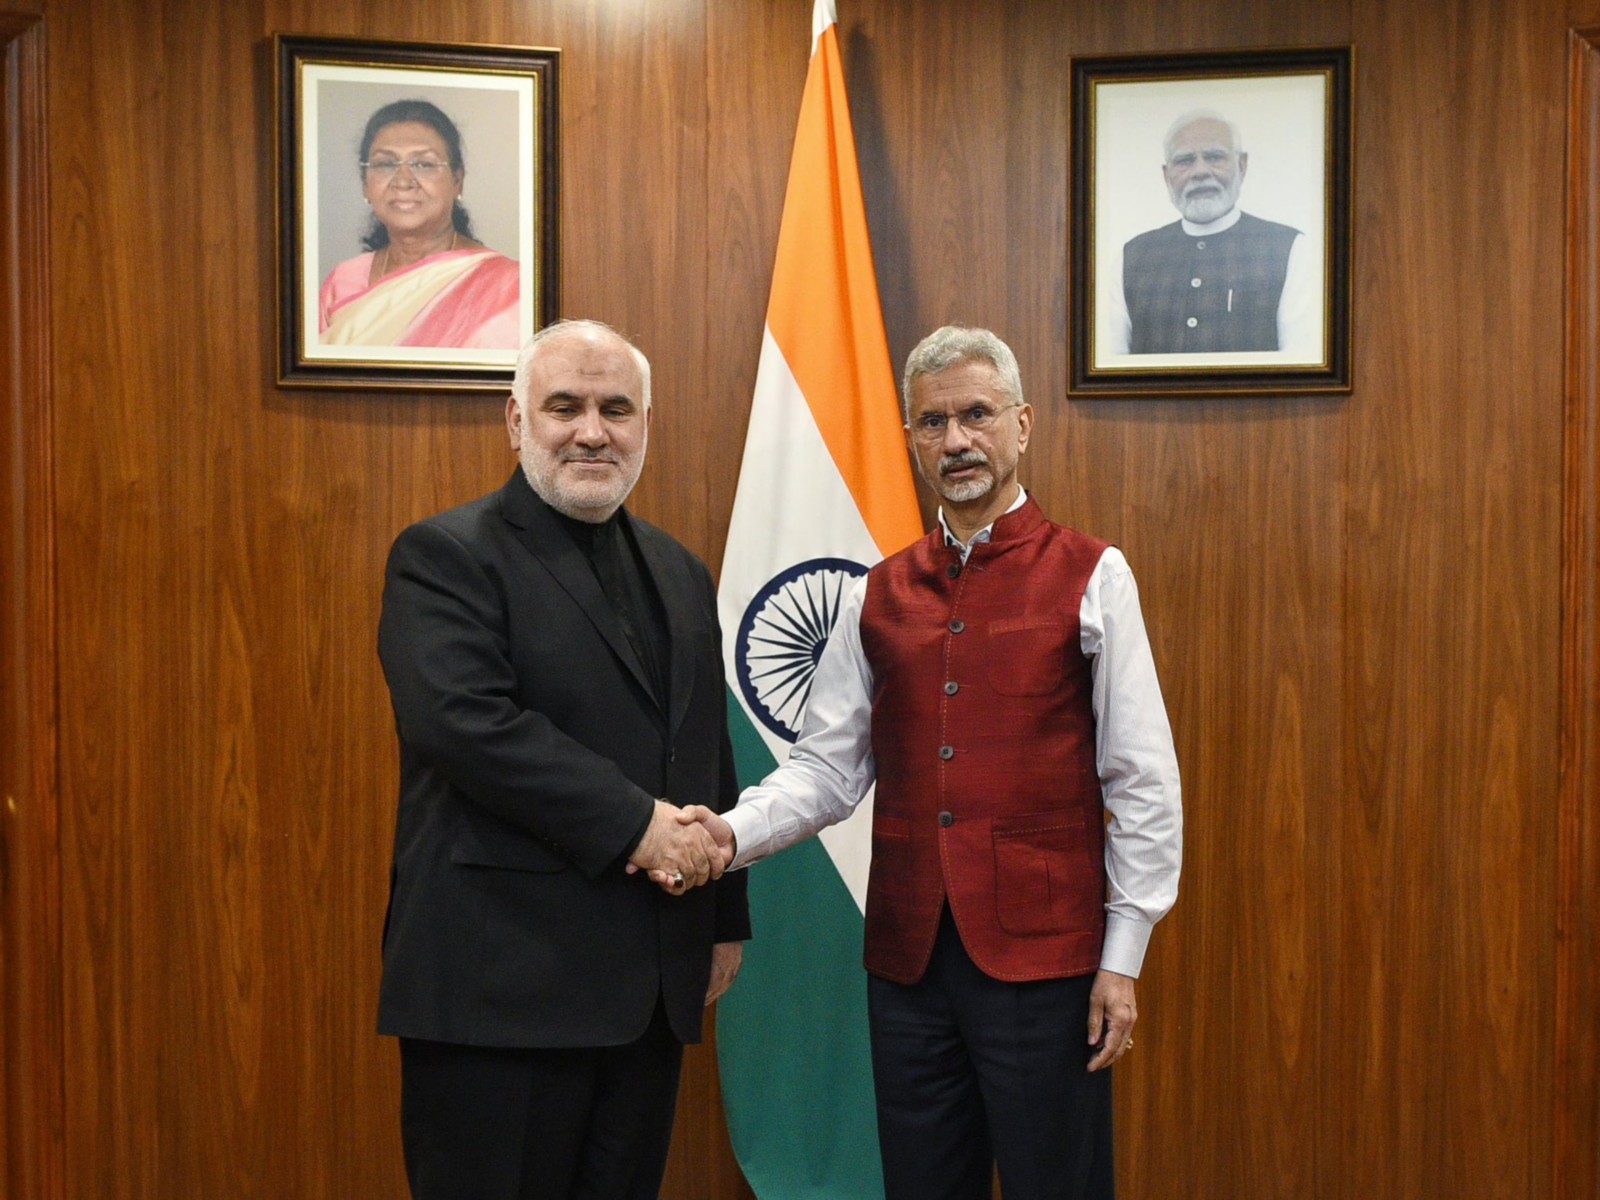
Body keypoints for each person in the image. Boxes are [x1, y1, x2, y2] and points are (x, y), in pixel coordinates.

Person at [663, 326, 1181, 1199]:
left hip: (1048, 962)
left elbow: (1142, 780)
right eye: (933, 422)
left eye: (976, 416)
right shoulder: (875, 592)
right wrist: (726, 833)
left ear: (1020, 425)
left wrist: (1122, 956)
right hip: (908, 964)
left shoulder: (1096, 575)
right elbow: (825, 773)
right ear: (910, 439)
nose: (957, 441)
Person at [376, 319, 750, 1199]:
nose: (592, 430)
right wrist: (638, 827)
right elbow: (465, 725)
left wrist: (724, 911)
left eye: (617, 408)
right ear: (515, 421)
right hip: (498, 990)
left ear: (646, 424)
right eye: (565, 406)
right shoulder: (443, 557)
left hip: (648, 990)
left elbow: (703, 745)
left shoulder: (682, 570)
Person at [1105, 110, 1319, 357]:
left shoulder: (1289, 248)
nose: (1199, 172)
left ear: (1242, 166)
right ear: (1167, 176)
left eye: (1214, 157)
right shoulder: (1132, 257)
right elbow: (1109, 365)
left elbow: (1302, 363)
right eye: (1185, 161)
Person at [320, 99, 521, 349]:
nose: (403, 181)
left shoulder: (509, 285)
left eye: (423, 164)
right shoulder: (342, 282)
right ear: (365, 184)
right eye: (385, 164)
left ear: (457, 180)